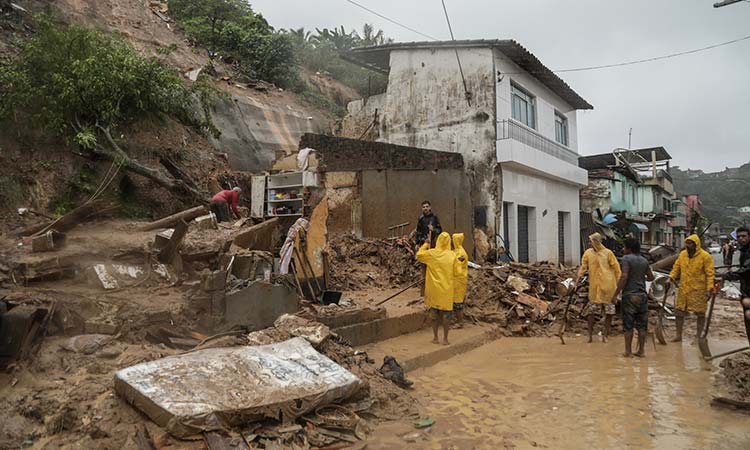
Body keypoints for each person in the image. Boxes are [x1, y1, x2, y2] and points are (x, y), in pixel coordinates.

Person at [667, 234, 715, 343]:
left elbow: (710, 274)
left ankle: (698, 336)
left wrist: (709, 289)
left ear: (696, 245)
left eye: (690, 244)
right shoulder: (683, 255)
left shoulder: (705, 256)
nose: (688, 246)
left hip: (699, 289)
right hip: (684, 288)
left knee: (700, 313)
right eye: (687, 243)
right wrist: (670, 278)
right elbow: (676, 268)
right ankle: (678, 335)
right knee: (679, 312)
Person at [611, 238, 654, 357]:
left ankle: (628, 352)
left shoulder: (626, 259)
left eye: (624, 247)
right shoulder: (644, 261)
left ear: (629, 248)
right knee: (642, 325)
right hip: (642, 296)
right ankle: (641, 351)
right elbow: (651, 278)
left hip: (630, 296)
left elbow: (624, 276)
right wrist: (640, 278)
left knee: (628, 325)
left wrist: (615, 294)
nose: (623, 249)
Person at [575, 233, 621, 343]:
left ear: (597, 242)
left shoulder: (608, 253)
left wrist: (619, 286)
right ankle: (590, 335)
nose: (590, 243)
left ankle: (605, 335)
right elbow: (583, 267)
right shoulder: (588, 253)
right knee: (591, 312)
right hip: (594, 288)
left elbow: (616, 269)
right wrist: (578, 279)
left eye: (591, 241)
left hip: (608, 287)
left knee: (609, 312)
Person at [417, 231, 455, 345]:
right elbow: (458, 272)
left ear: (438, 241)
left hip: (434, 290)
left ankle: (435, 338)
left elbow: (419, 255)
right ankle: (445, 339)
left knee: (434, 314)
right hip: (447, 290)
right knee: (447, 315)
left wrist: (425, 244)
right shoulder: (452, 255)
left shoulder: (431, 254)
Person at [724, 227, 750, 335]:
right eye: (739, 237)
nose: (741, 239)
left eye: (744, 236)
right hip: (746, 289)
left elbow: (747, 270)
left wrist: (732, 275)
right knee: (748, 321)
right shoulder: (743, 249)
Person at [452, 233, 468, 328]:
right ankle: (457, 320)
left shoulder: (461, 253)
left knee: (458, 303)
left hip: (459, 281)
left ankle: (460, 322)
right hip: (455, 280)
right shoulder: (455, 251)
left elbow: (457, 266)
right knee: (455, 302)